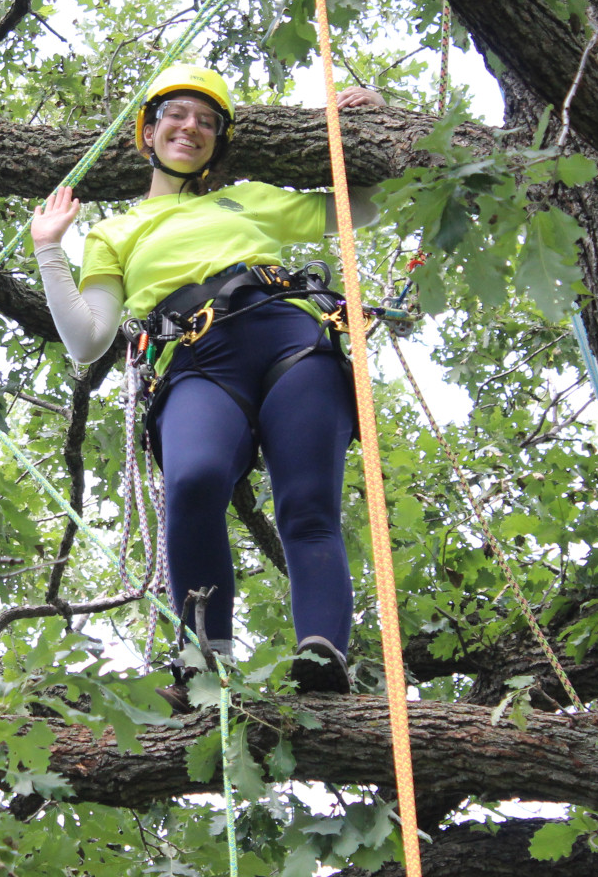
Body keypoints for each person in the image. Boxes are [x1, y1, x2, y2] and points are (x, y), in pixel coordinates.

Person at [26, 64, 383, 709]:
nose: (190, 128)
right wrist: (50, 248)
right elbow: (87, 338)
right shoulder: (113, 232)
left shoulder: (250, 197)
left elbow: (363, 206)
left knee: (307, 506)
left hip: (290, 339)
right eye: (177, 115)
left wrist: (371, 122)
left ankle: (324, 653)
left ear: (218, 140)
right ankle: (203, 659)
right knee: (192, 482)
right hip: (196, 358)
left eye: (207, 121)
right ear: (150, 129)